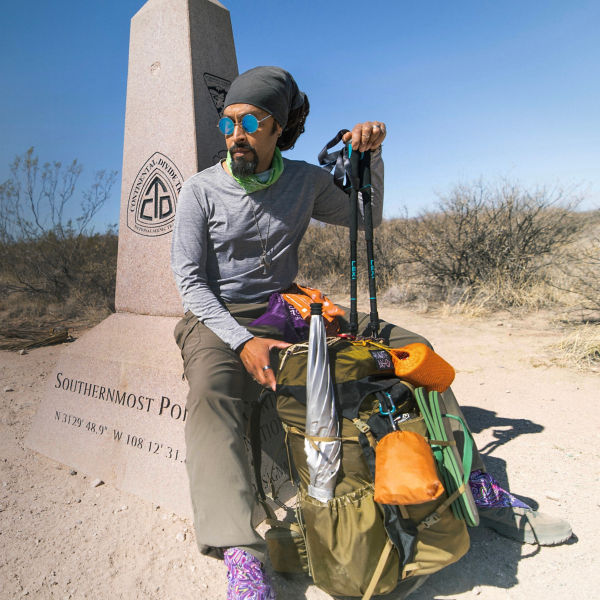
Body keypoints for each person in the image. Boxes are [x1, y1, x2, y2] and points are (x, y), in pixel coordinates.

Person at [171, 66, 572, 600]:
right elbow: (191, 285)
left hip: (287, 305)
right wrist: (242, 342)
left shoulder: (305, 182)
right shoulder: (200, 189)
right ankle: (240, 551)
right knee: (211, 393)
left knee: (412, 348)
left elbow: (368, 217)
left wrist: (372, 158)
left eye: (249, 121)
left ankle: (467, 477)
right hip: (218, 315)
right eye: (227, 124)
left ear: (280, 128)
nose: (236, 135)